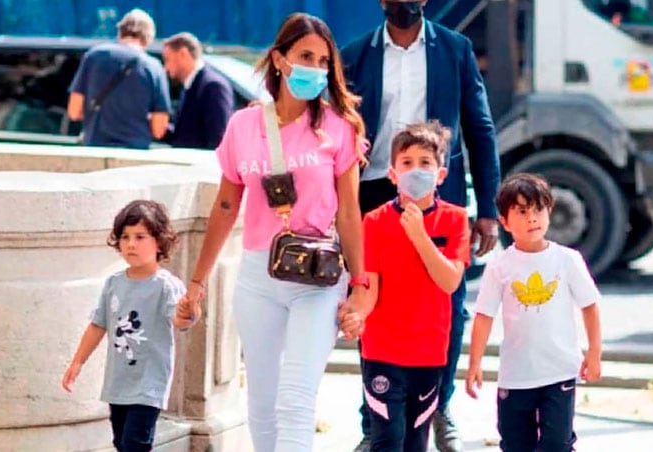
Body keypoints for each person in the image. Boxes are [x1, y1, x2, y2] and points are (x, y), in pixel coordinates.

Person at [175, 12, 368, 452]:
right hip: (258, 277)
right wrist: (198, 282)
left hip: (316, 279)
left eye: (323, 61)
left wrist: (359, 285)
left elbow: (349, 213)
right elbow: (226, 205)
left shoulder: (338, 129)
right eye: (305, 57)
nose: (315, 69)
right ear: (279, 59)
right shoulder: (244, 126)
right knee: (261, 402)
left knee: (296, 400)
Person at [341, 1, 501, 450]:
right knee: (370, 300)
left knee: (448, 306)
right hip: (372, 191)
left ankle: (439, 406)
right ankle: (374, 419)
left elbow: (479, 127)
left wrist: (486, 206)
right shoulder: (356, 54)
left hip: (439, 195)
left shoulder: (455, 49)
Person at [339, 121, 471, 452]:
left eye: (425, 163)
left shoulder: (455, 219)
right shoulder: (375, 221)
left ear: (441, 173)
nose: (416, 170)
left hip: (428, 351)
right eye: (407, 163)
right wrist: (357, 314)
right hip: (382, 349)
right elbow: (370, 285)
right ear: (393, 174)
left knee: (415, 441)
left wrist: (420, 237)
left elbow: (450, 281)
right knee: (386, 438)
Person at [465, 173, 602, 452]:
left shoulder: (567, 260)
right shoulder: (500, 266)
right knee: (516, 443)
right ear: (504, 221)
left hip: (559, 370)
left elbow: (590, 305)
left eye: (538, 209)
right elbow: (484, 316)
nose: (532, 219)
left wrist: (594, 352)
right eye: (522, 211)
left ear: (549, 211)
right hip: (516, 374)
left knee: (556, 443)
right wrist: (475, 363)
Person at [61, 199, 200, 451]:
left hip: (149, 385)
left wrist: (189, 311)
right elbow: (98, 324)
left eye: (140, 236)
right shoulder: (113, 283)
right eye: (125, 237)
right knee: (121, 444)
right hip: (118, 383)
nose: (130, 244)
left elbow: (180, 320)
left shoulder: (165, 285)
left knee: (134, 444)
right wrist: (78, 362)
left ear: (159, 241)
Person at [67, 8, 171, 149]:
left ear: (120, 32)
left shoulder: (94, 56)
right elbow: (159, 129)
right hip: (135, 153)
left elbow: (74, 111)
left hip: (95, 149)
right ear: (148, 38)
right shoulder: (154, 67)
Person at [162, 32, 234, 149]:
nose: (165, 67)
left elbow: (218, 139)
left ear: (183, 54)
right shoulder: (191, 85)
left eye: (167, 59)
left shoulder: (213, 86)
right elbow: (185, 135)